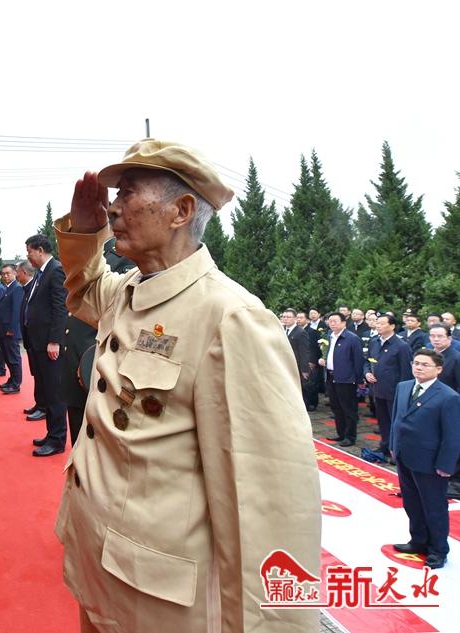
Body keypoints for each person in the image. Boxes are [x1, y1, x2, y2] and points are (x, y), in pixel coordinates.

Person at [55, 138, 320, 632]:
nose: (113, 207)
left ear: (180, 211)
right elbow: (84, 287)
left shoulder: (231, 318)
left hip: (158, 603)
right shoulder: (128, 290)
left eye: (127, 193)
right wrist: (86, 233)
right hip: (99, 568)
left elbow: (267, 507)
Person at [59, 236, 134, 447]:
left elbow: (121, 312)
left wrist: (89, 357)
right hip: (75, 349)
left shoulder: (126, 256)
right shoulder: (91, 254)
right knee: (76, 419)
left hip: (95, 353)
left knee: (99, 432)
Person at [389, 349, 460, 570]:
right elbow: (396, 419)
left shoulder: (448, 397)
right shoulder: (403, 387)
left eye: (425, 365)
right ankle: (418, 540)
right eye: (416, 363)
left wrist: (446, 464)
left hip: (430, 462)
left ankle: (438, 550)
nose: (419, 368)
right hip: (404, 456)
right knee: (411, 502)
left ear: (439, 369)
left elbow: (452, 436)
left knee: (434, 507)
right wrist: (393, 445)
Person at [22, 234, 68, 457]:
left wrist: (54, 340)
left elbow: (60, 308)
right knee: (48, 393)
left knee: (55, 393)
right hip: (38, 343)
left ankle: (57, 440)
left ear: (40, 250)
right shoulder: (42, 273)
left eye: (30, 252)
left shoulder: (55, 270)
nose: (28, 257)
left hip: (49, 345)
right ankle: (51, 434)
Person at [364, 314, 412, 459]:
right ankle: (385, 446)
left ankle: (397, 450)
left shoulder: (401, 346)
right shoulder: (374, 341)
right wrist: (367, 373)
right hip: (377, 389)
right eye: (377, 323)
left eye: (382, 323)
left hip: (394, 392)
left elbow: (406, 372)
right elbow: (367, 361)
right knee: (383, 421)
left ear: (392, 326)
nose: (378, 326)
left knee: (395, 422)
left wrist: (403, 394)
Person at [318, 312, 364, 447]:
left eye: (335, 321)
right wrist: (324, 360)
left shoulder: (352, 338)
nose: (332, 324)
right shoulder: (329, 336)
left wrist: (358, 380)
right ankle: (341, 433)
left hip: (346, 379)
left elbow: (358, 360)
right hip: (331, 376)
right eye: (330, 321)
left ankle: (350, 436)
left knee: (348, 409)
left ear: (344, 323)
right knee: (336, 407)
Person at [17, 261, 46, 420]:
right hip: (31, 339)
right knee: (36, 374)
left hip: (39, 339)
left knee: (42, 376)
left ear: (25, 272)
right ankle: (39, 403)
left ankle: (43, 407)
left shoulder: (34, 286)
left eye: (18, 272)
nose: (16, 275)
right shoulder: (27, 287)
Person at [0, 264, 24, 394]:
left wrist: (12, 329)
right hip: (3, 329)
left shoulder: (17, 288)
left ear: (14, 273)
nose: (5, 276)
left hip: (10, 330)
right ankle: (12, 379)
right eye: (3, 274)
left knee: (14, 358)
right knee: (7, 357)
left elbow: (16, 311)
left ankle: (16, 384)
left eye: (8, 273)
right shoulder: (8, 288)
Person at [296, 310, 321, 411]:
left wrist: (312, 361)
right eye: (297, 318)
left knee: (311, 384)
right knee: (302, 384)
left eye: (301, 318)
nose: (299, 320)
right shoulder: (295, 331)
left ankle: (312, 403)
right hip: (299, 360)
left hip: (310, 361)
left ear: (307, 320)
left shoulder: (313, 332)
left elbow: (314, 348)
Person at [281, 308, 310, 387]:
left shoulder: (300, 332)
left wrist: (304, 369)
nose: (285, 319)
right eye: (284, 317)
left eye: (288, 317)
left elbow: (304, 352)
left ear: (295, 318)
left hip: (296, 365)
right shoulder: (282, 330)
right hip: (284, 364)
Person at [428, 323, 459, 391]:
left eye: (440, 336)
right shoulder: (427, 355)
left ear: (449, 338)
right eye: (432, 336)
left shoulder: (456, 358)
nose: (436, 339)